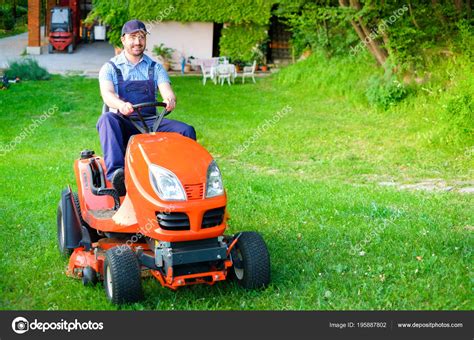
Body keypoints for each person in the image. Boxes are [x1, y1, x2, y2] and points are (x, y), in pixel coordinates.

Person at [97, 19, 196, 195]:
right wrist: (121, 105)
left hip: (152, 122)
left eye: (141, 37)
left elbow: (167, 90)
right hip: (125, 121)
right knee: (106, 119)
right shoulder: (110, 67)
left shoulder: (155, 67)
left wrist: (169, 99)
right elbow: (107, 95)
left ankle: (185, 179)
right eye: (133, 37)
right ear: (123, 40)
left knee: (186, 131)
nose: (137, 42)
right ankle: (117, 176)